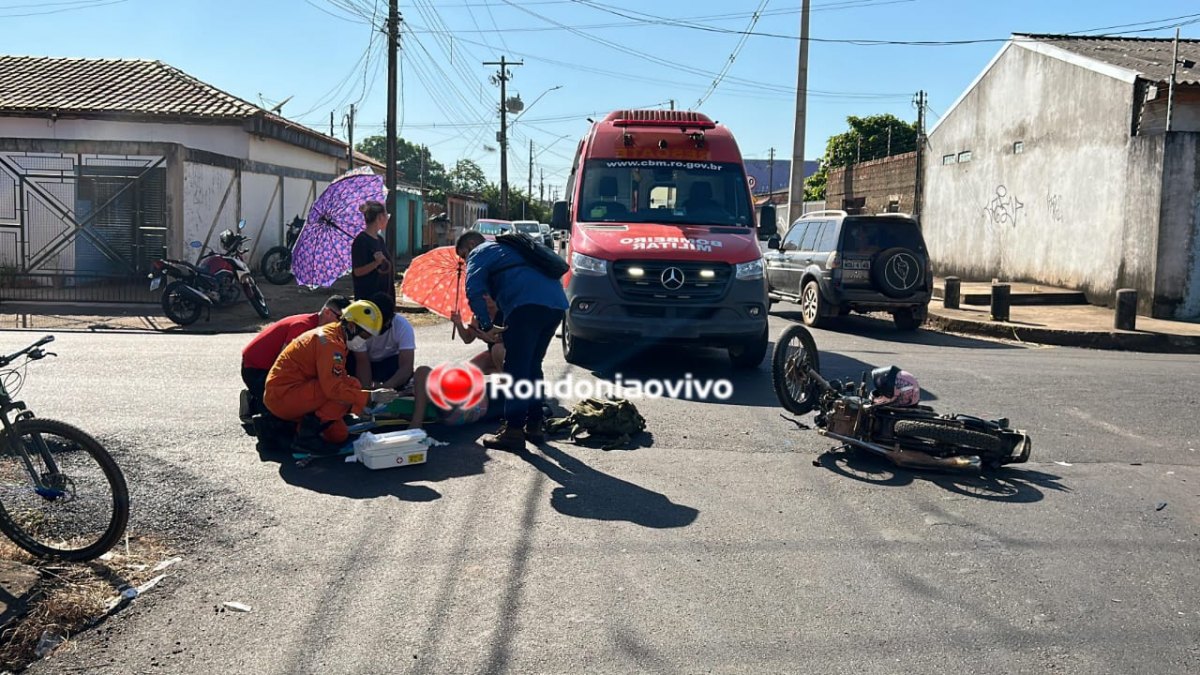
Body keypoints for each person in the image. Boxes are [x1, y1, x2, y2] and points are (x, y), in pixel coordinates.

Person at [457, 230, 568, 451]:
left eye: (463, 255)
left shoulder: (481, 251)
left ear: (471, 244)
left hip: (527, 306)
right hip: (556, 305)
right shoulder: (513, 250)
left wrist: (486, 326)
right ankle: (534, 424)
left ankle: (513, 431)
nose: (465, 262)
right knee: (532, 365)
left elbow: (474, 289)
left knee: (516, 368)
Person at [263, 299, 399, 453]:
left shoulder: (336, 336)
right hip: (282, 396)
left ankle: (289, 426)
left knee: (339, 435)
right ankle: (305, 438)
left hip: (292, 393)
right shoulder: (329, 343)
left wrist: (360, 404)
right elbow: (333, 389)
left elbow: (338, 376)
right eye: (365, 335)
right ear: (352, 326)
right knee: (342, 390)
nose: (365, 340)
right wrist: (369, 398)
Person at [240, 295, 351, 409]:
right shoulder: (303, 327)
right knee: (291, 411)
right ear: (327, 312)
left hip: (263, 367)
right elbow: (284, 363)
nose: (342, 326)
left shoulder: (320, 329)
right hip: (256, 370)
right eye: (340, 319)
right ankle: (253, 403)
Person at [348, 291, 436, 431]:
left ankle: (396, 398)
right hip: (363, 363)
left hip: (389, 364)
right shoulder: (361, 324)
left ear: (390, 320)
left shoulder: (402, 326)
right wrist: (367, 395)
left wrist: (385, 388)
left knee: (418, 373)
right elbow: (362, 362)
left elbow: (406, 367)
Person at [451, 294, 506, 376]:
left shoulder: (505, 312)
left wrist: (490, 338)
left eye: (488, 294)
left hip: (508, 350)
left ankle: (506, 378)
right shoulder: (479, 315)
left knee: (497, 349)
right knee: (469, 370)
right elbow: (467, 339)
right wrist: (459, 324)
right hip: (492, 352)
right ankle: (498, 369)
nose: (485, 297)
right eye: (482, 294)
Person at [351, 200, 393, 302]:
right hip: (369, 300)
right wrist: (376, 263)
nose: (388, 218)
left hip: (384, 297)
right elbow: (357, 272)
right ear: (379, 217)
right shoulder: (361, 241)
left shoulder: (379, 239)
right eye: (386, 215)